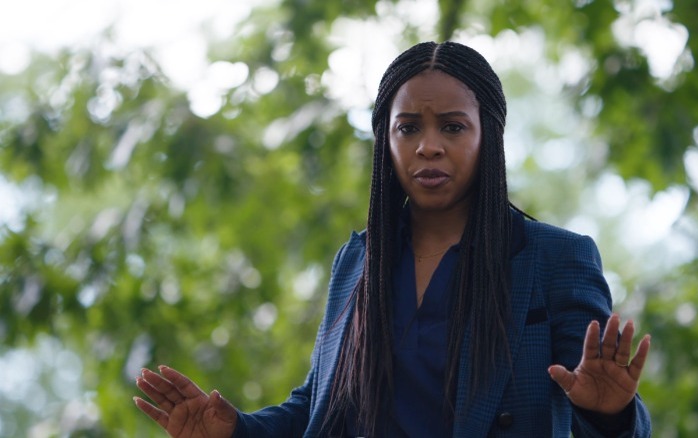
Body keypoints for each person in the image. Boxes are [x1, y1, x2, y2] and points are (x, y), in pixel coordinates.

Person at [134, 41, 652, 437]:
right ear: (386, 139)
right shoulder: (358, 260)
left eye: (452, 127)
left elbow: (601, 400)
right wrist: (238, 430)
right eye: (408, 129)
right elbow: (319, 405)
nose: (428, 147)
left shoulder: (555, 257)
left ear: (487, 136)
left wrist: (610, 411)